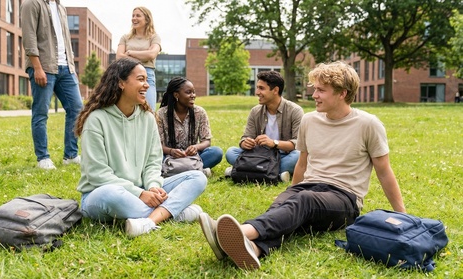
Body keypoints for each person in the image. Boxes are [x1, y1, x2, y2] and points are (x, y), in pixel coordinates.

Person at [199, 61, 406, 269]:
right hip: (307, 187)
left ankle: (240, 232)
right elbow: (302, 162)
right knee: (286, 209)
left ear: (342, 93)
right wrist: (291, 191)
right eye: (314, 89)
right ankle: (255, 249)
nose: (314, 95)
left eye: (321, 90)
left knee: (302, 203)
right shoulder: (310, 120)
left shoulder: (368, 124)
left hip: (344, 198)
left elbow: (384, 172)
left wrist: (403, 216)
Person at [75, 58, 207, 238]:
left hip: (143, 188)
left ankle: (150, 220)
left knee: (197, 177)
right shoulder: (96, 120)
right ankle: (173, 213)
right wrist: (139, 193)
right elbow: (97, 174)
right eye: (140, 79)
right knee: (110, 193)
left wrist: (152, 187)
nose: (146, 85)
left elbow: (153, 162)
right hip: (100, 194)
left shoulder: (147, 118)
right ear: (121, 83)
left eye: (146, 80)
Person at [21, 0, 83, 170]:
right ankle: (43, 158)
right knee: (41, 112)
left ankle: (70, 155)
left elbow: (66, 40)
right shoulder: (31, 4)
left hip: (66, 68)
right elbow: (29, 36)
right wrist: (37, 67)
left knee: (77, 109)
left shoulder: (61, 7)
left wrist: (72, 67)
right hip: (44, 66)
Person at [224, 71, 304, 182]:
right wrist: (245, 143)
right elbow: (245, 137)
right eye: (257, 88)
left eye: (261, 88)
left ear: (275, 90)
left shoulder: (295, 111)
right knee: (231, 152)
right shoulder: (255, 111)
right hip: (259, 156)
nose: (257, 92)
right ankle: (277, 174)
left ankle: (242, 170)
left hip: (282, 156)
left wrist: (273, 143)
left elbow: (297, 144)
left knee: (298, 156)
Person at [156, 77, 223, 177]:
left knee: (216, 152)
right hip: (168, 157)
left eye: (194, 92)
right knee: (154, 156)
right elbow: (157, 145)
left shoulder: (200, 112)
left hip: (192, 157)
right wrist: (171, 151)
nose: (193, 96)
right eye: (188, 92)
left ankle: (171, 171)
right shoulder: (161, 114)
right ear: (176, 95)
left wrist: (196, 147)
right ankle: (198, 170)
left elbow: (207, 141)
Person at [116, 6, 161, 111]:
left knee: (149, 111)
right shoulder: (125, 37)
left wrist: (130, 53)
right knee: (126, 110)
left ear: (147, 19)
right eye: (133, 16)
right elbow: (119, 57)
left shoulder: (154, 37)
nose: (134, 18)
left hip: (147, 76)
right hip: (127, 75)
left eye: (138, 16)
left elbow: (151, 55)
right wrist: (143, 56)